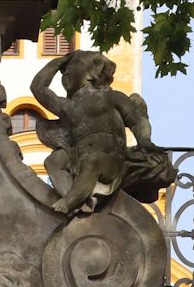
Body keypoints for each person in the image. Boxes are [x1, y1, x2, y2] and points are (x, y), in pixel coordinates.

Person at [29, 49, 172, 219]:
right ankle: (77, 203)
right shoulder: (69, 107)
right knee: (53, 161)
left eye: (72, 66)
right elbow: (38, 88)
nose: (65, 72)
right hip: (78, 157)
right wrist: (58, 62)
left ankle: (70, 201)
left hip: (110, 159)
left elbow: (137, 120)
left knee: (93, 161)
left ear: (94, 70)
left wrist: (144, 141)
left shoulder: (112, 98)